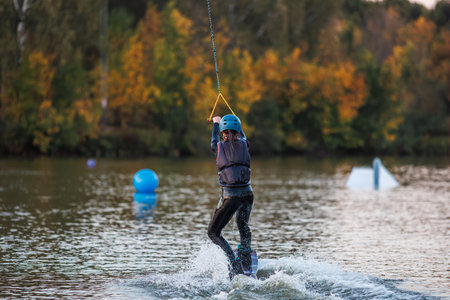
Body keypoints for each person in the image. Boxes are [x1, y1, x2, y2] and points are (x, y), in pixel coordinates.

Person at [207, 114, 254, 279]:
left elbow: (213, 139)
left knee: (213, 233)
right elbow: (242, 135)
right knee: (242, 224)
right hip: (248, 193)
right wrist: (238, 123)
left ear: (222, 133)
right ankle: (245, 254)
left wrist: (215, 122)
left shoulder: (218, 146)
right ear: (238, 131)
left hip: (231, 196)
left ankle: (234, 262)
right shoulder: (245, 144)